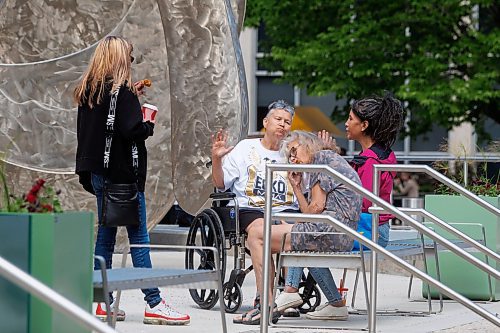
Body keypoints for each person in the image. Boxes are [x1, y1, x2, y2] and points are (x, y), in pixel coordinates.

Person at [74, 35, 190, 325]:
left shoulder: (90, 91)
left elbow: (104, 128)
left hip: (99, 174)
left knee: (106, 237)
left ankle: (101, 302)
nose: (131, 60)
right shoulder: (121, 94)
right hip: (122, 176)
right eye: (130, 55)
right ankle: (154, 302)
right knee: (139, 238)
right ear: (118, 58)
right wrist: (147, 123)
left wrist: (130, 101)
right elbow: (132, 130)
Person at [240, 131, 362, 324]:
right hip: (337, 230)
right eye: (290, 156)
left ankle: (267, 304)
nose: (293, 158)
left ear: (309, 144)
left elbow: (315, 208)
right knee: (279, 231)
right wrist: (296, 187)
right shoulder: (327, 160)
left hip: (330, 230)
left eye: (295, 150)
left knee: (256, 235)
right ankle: (290, 294)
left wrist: (297, 223)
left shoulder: (320, 161)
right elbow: (312, 211)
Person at [345, 93, 404, 248]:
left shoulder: (370, 161)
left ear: (364, 125)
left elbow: (363, 203)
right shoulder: (384, 153)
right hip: (378, 229)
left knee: (305, 241)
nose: (346, 123)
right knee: (304, 240)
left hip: (369, 231)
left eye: (351, 119)